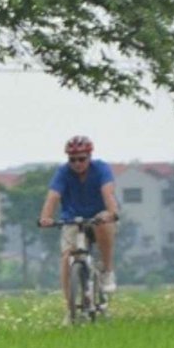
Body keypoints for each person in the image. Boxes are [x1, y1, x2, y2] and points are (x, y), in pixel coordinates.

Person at [38, 135, 120, 318]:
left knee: (102, 223)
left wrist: (111, 212)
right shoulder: (63, 172)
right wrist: (45, 217)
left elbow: (108, 192)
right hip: (72, 218)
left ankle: (107, 270)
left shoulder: (101, 169)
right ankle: (71, 309)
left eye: (81, 159)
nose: (77, 163)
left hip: (99, 217)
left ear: (90, 156)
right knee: (67, 258)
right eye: (72, 159)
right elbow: (53, 196)